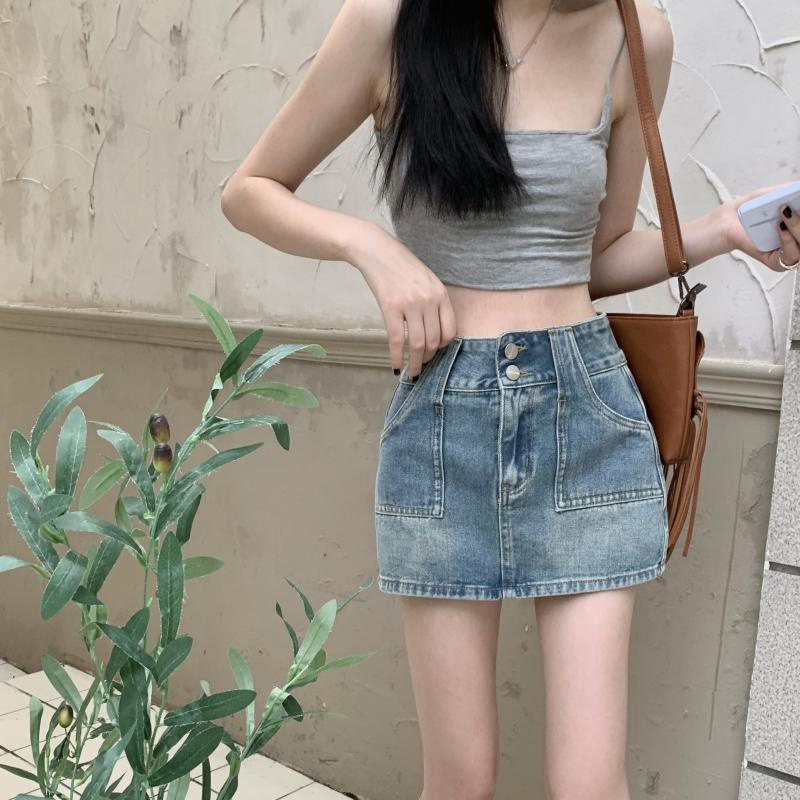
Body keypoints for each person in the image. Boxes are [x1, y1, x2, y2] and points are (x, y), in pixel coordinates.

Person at [220, 0, 800, 797]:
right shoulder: (390, 22)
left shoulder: (636, 34)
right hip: (444, 419)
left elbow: (595, 258)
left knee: (590, 785)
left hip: (587, 415)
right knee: (460, 779)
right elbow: (249, 190)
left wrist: (724, 228)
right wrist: (371, 247)